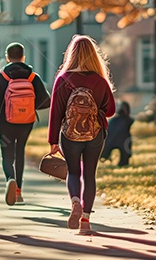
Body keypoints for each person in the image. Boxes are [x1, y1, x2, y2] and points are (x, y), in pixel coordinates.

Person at [47, 35, 115, 235]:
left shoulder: (63, 78)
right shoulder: (100, 80)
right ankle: (85, 219)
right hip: (95, 135)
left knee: (74, 172)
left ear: (71, 54)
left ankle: (75, 201)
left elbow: (56, 112)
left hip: (69, 135)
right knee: (90, 175)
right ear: (94, 56)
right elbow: (110, 110)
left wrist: (52, 141)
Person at [0, 42, 51, 206]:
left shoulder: (0, 77)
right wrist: (30, 108)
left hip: (5, 122)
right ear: (23, 57)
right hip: (26, 123)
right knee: (19, 152)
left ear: (7, 57)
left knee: (7, 154)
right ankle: (19, 191)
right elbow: (47, 101)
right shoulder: (33, 77)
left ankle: (10, 179)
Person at [101, 101, 133, 167]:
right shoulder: (128, 120)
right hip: (121, 140)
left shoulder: (114, 120)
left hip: (114, 140)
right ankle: (123, 162)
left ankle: (122, 161)